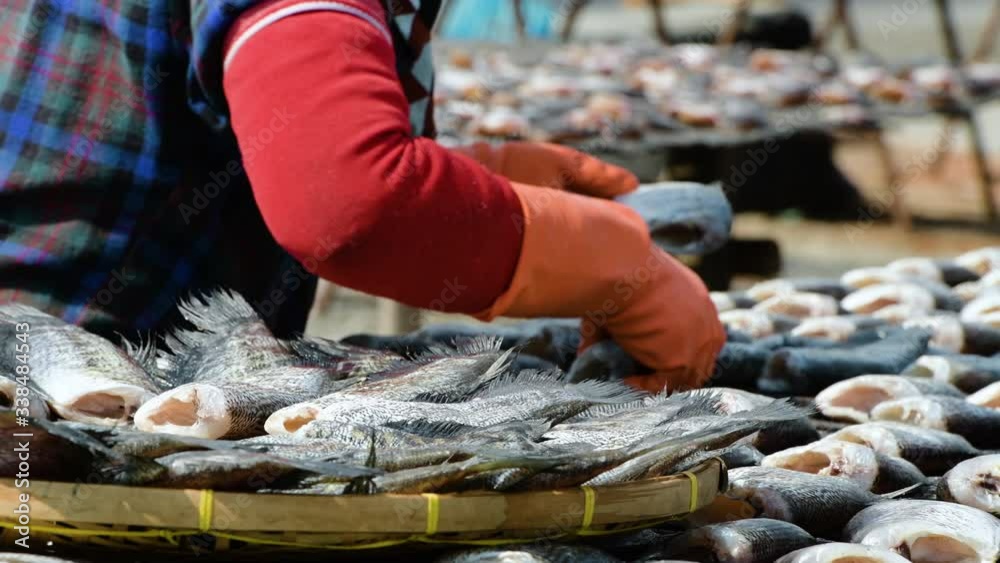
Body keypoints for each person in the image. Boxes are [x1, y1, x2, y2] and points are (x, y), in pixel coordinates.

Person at [0, 0, 724, 392]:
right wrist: (620, 271)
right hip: (55, 419)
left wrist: (474, 188)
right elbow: (351, 205)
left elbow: (248, 130)